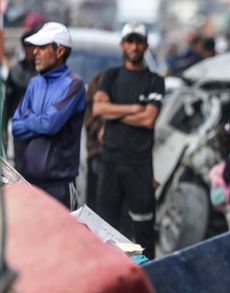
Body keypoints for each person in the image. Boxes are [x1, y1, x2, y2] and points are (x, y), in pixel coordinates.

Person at [93, 22, 164, 260]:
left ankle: (147, 276)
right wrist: (134, 108)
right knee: (107, 228)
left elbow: (148, 119)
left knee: (142, 228)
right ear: (122, 44)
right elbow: (98, 108)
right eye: (129, 41)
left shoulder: (155, 81)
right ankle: (114, 275)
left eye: (138, 41)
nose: (134, 46)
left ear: (145, 45)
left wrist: (114, 113)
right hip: (110, 162)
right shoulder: (111, 76)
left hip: (139, 165)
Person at [12, 22, 86, 210]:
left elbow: (50, 125)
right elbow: (15, 128)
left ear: (59, 51)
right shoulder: (34, 83)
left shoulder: (74, 84)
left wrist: (28, 116)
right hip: (29, 182)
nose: (34, 52)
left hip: (59, 186)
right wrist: (39, 121)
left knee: (61, 240)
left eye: (42, 47)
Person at [4, 30, 38, 170]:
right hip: (19, 125)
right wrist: (4, 128)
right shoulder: (15, 70)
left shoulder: (44, 71)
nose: (30, 51)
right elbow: (8, 101)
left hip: (39, 127)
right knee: (20, 166)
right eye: (27, 46)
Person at [83, 70, 106, 211]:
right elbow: (89, 114)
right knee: (95, 204)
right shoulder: (97, 81)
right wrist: (98, 130)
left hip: (123, 153)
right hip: (97, 151)